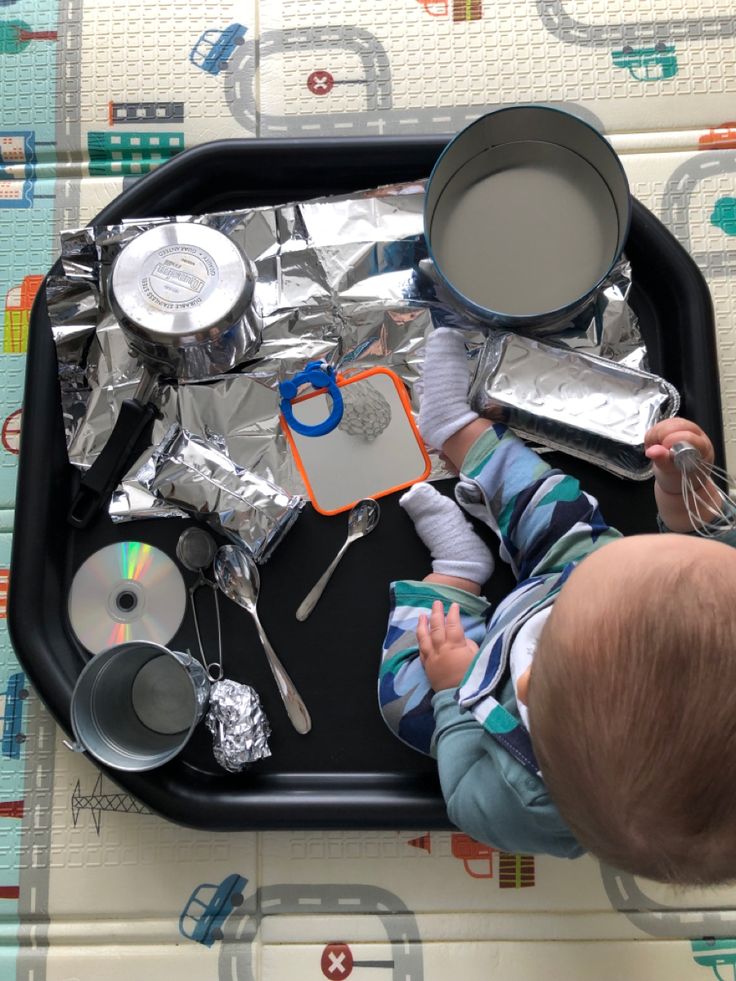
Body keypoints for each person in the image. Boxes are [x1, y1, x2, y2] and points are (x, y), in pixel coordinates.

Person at [378, 326, 736, 885]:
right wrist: (685, 493)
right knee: (564, 513)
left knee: (405, 702)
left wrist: (453, 688)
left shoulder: (515, 806)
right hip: (555, 578)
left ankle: (458, 572)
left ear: (530, 684)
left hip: (477, 691)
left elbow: (461, 784)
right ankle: (455, 430)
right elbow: (709, 554)